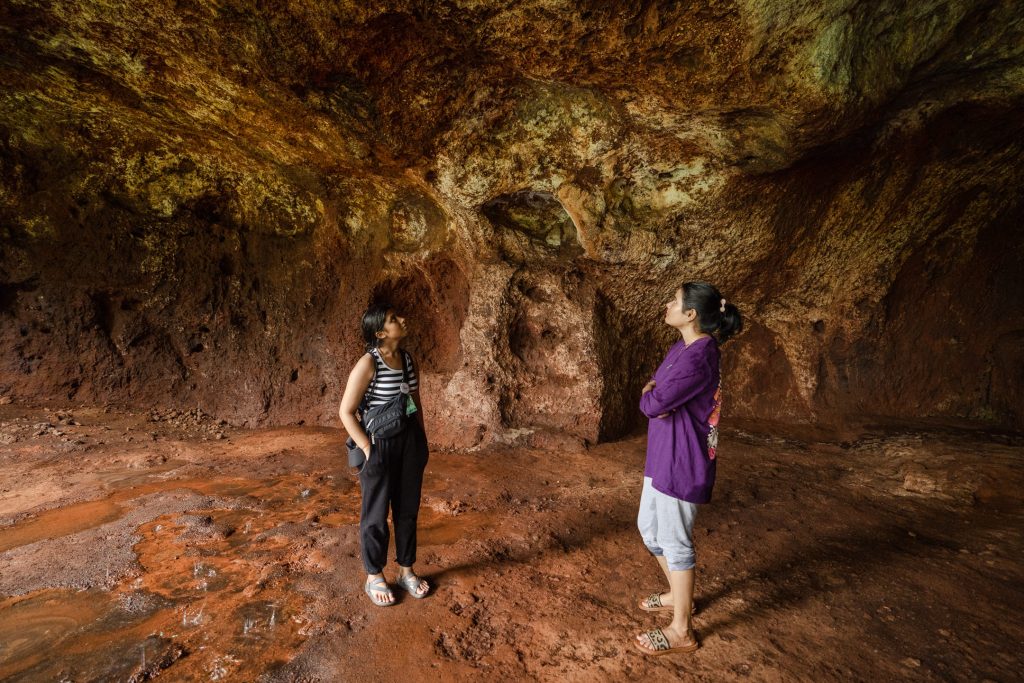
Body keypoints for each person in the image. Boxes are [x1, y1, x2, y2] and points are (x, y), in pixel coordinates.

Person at [633, 281, 742, 655]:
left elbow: (653, 401)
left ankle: (682, 630)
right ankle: (681, 598)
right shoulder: (682, 347)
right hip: (663, 453)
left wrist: (653, 396)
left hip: (682, 459)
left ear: (691, 314)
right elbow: (658, 390)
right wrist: (655, 395)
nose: (667, 305)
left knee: (676, 543)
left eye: (675, 301)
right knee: (649, 529)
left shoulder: (701, 355)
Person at [338, 303, 431, 606]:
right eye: (393, 319)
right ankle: (374, 576)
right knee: (376, 514)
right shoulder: (369, 363)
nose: (402, 319)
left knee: (407, 509)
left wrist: (421, 440)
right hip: (378, 444)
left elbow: (414, 401)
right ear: (380, 333)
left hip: (409, 443)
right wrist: (367, 448)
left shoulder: (406, 359)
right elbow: (346, 412)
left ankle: (406, 570)